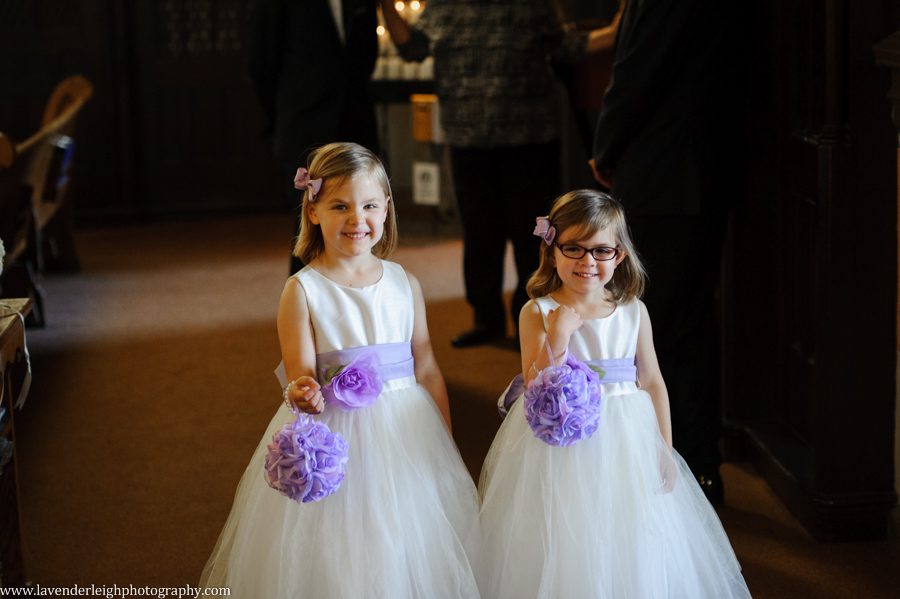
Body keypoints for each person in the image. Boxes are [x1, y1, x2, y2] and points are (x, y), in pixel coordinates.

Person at [200, 143, 481, 598]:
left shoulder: (404, 283)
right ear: (313, 211)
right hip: (338, 440)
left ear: (386, 209)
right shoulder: (303, 290)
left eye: (369, 205)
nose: (357, 219)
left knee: (405, 533)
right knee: (347, 542)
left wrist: (444, 440)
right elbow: (301, 379)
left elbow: (427, 367)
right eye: (340, 206)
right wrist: (303, 392)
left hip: (408, 433)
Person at [477, 190, 751, 598]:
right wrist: (559, 337)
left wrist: (664, 448)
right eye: (573, 248)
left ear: (619, 255)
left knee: (628, 527)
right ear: (551, 249)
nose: (587, 262)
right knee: (570, 525)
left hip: (626, 437)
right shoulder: (537, 311)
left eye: (601, 251)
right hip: (562, 443)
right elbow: (536, 385)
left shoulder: (632, 310)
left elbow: (652, 381)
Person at [379, 0, 620, 348]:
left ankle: (533, 317)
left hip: (530, 138)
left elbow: (567, 47)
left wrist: (615, 31)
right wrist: (386, 6)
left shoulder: (533, 5)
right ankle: (486, 319)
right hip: (467, 139)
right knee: (479, 232)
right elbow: (411, 49)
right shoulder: (444, 5)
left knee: (534, 235)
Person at [589, 0, 741, 504]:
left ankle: (677, 465)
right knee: (687, 321)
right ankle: (696, 464)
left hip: (664, 172)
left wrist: (606, 147)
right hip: (698, 169)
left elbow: (637, 74)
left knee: (655, 326)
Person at [246, 0, 380, 275]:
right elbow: (261, 63)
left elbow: (366, 53)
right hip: (304, 128)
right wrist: (282, 119)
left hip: (356, 125)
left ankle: (355, 297)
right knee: (309, 227)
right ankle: (305, 300)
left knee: (360, 224)